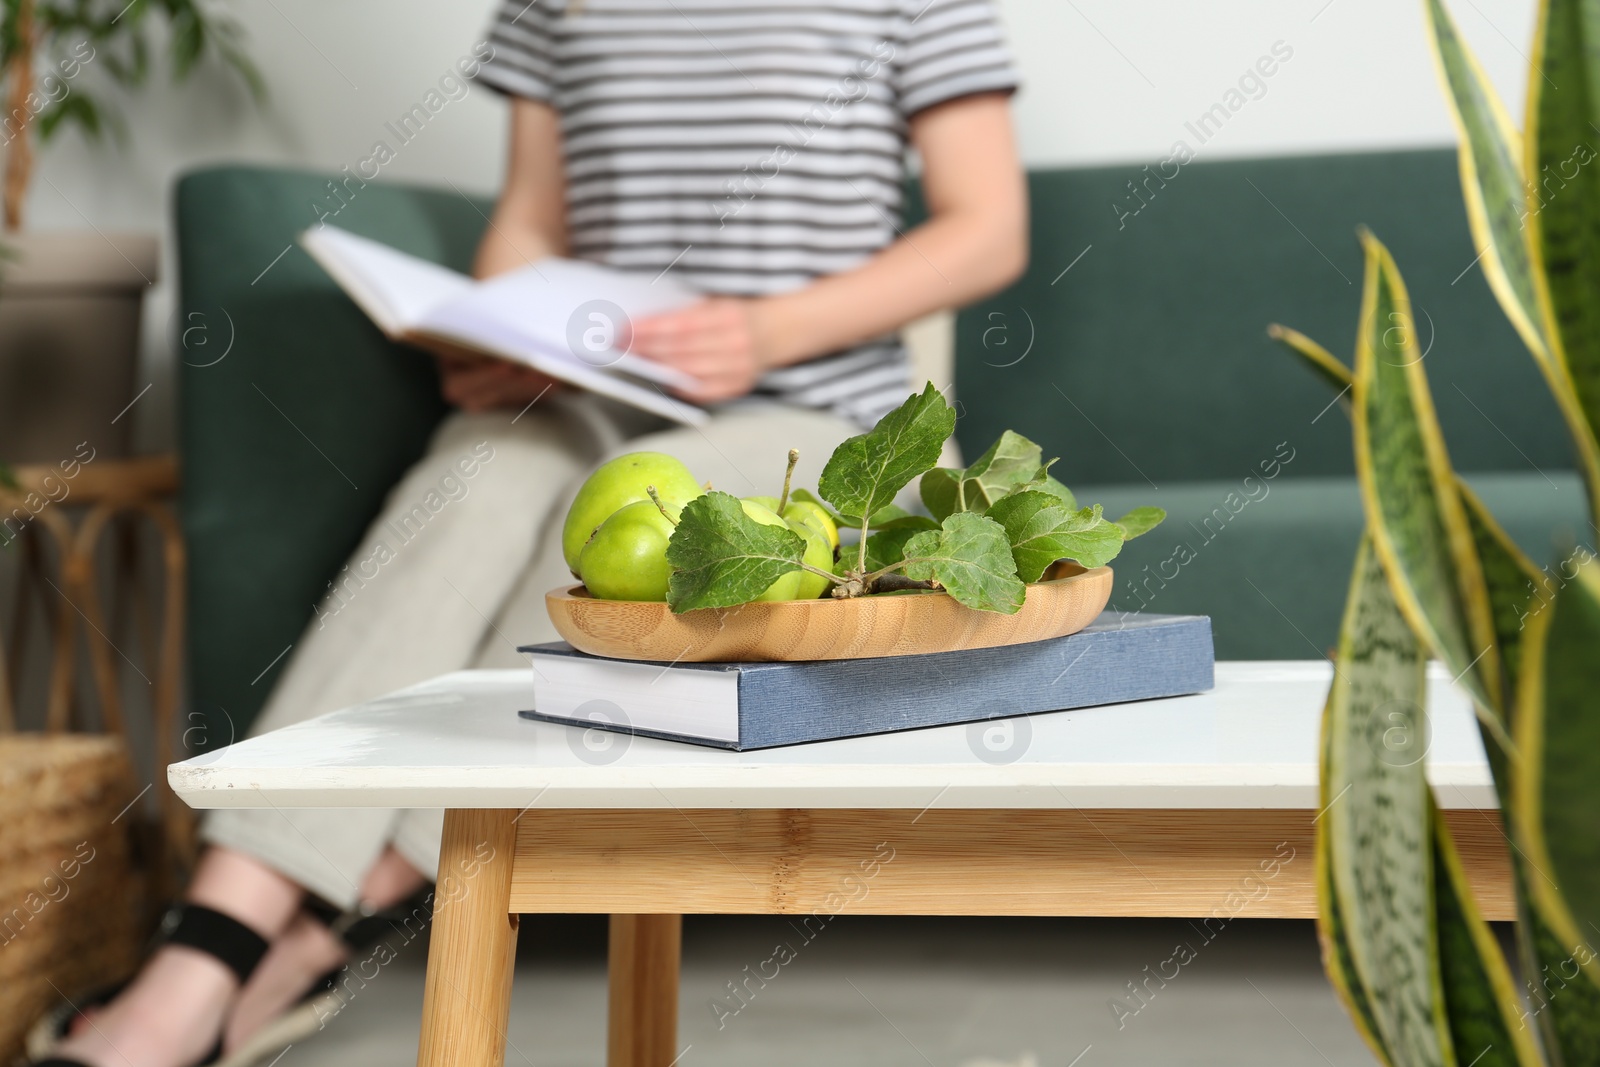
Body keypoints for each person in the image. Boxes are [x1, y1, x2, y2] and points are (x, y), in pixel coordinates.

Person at [36, 2, 1026, 1065]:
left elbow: (988, 226)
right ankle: (214, 939)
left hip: (817, 409)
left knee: (614, 512)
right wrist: (506, 330)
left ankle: (302, 927)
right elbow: (530, 218)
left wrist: (765, 332)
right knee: (470, 480)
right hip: (603, 382)